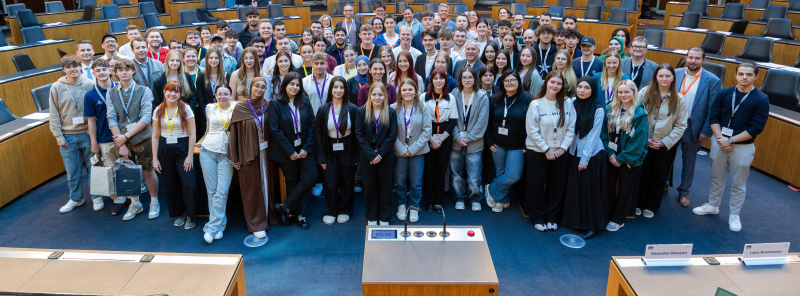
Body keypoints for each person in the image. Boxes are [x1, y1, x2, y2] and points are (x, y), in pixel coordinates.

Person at [693, 62, 769, 233]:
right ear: (735, 75)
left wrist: (731, 140)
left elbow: (756, 127)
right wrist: (721, 139)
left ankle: (734, 215)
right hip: (720, 141)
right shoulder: (725, 93)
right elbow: (713, 117)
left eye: (749, 75)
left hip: (743, 146)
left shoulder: (761, 99)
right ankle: (713, 205)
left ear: (756, 76)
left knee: (738, 183)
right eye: (741, 74)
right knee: (716, 176)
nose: (744, 77)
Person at [106, 59, 160, 221]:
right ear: (115, 72)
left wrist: (125, 137)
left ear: (133, 71)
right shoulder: (111, 93)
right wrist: (121, 142)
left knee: (148, 170)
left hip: (142, 138)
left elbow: (146, 118)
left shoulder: (144, 91)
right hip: (122, 140)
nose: (124, 72)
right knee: (127, 171)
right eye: (120, 70)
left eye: (127, 69)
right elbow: (111, 118)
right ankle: (135, 203)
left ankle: (153, 202)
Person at [525, 72, 576, 232]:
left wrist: (562, 149)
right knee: (536, 185)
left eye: (558, 84)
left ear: (562, 86)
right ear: (546, 83)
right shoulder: (536, 103)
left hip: (560, 152)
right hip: (538, 151)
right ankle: (538, 217)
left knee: (557, 185)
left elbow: (571, 128)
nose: (555, 86)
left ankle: (552, 217)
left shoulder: (567, 103)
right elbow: (532, 131)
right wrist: (546, 149)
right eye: (552, 82)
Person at [636, 64, 688, 218]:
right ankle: (638, 203)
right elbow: (635, 116)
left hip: (664, 145)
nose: (664, 79)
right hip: (644, 142)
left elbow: (680, 125)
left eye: (667, 76)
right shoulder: (645, 92)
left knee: (659, 176)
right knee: (642, 174)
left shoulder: (679, 99)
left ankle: (651, 205)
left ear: (673, 78)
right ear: (656, 77)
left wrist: (664, 142)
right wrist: (644, 139)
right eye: (661, 76)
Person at [227, 77, 277, 239]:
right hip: (247, 154)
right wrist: (235, 158)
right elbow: (233, 134)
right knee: (251, 187)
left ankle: (268, 215)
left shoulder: (268, 106)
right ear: (250, 87)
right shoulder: (241, 107)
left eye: (263, 87)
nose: (260, 89)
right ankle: (256, 222)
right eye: (257, 86)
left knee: (266, 184)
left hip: (266, 153)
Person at [673, 47, 722, 208]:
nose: (693, 61)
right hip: (672, 123)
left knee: (689, 161)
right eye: (690, 57)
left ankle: (684, 191)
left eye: (697, 58)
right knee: (666, 156)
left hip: (692, 126)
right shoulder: (676, 73)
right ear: (686, 58)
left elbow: (713, 108)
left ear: (703, 60)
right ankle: (664, 184)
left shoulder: (712, 80)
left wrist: (706, 130)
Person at [270, 73, 318, 230]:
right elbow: (275, 130)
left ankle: (286, 206)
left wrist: (306, 148)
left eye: (297, 85)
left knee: (311, 176)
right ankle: (298, 214)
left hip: (304, 148)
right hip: (285, 151)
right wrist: (290, 151)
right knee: (292, 181)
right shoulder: (276, 104)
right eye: (291, 84)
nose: (295, 87)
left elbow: (312, 124)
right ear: (285, 85)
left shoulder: (304, 100)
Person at [50, 55, 98, 214]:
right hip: (67, 136)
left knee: (94, 168)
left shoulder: (90, 84)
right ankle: (76, 199)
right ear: (64, 69)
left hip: (87, 134)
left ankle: (96, 196)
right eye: (69, 67)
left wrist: (94, 135)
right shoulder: (56, 87)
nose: (73, 70)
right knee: (72, 172)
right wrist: (58, 136)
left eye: (75, 66)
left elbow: (97, 112)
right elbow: (54, 114)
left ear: (80, 67)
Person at [561, 76, 607, 238]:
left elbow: (593, 136)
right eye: (580, 87)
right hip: (573, 152)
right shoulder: (572, 102)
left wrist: (584, 160)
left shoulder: (598, 109)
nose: (582, 90)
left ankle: (592, 225)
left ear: (593, 90)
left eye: (587, 88)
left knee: (589, 192)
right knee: (574, 189)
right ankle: (574, 222)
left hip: (591, 155)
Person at [601, 80, 648, 232]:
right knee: (608, 186)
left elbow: (639, 141)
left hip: (630, 159)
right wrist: (610, 154)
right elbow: (603, 134)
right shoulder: (610, 108)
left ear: (634, 93)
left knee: (625, 189)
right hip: (611, 155)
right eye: (620, 92)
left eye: (627, 92)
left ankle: (618, 219)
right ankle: (608, 213)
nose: (623, 95)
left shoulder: (640, 113)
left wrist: (621, 158)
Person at [152, 80, 198, 229]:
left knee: (189, 184)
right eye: (169, 91)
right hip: (165, 149)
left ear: (180, 94)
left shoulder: (186, 109)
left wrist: (190, 155)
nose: (172, 94)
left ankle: (191, 215)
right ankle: (179, 213)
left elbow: (192, 134)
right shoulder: (158, 110)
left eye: (176, 91)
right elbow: (155, 136)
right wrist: (155, 158)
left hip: (183, 148)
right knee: (171, 185)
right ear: (164, 92)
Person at [485, 70, 531, 212]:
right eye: (507, 81)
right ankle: (502, 200)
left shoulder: (528, 99)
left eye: (513, 80)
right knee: (500, 173)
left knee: (512, 175)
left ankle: (490, 188)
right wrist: (489, 141)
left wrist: (526, 144)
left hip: (517, 145)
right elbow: (487, 122)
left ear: (519, 82)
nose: (510, 83)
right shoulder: (494, 99)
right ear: (502, 83)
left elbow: (532, 124)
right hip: (497, 144)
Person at [315, 76, 359, 225]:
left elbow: (357, 135)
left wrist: (355, 156)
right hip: (329, 149)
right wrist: (321, 158)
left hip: (348, 148)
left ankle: (345, 210)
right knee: (330, 183)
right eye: (335, 87)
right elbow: (318, 135)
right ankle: (332, 210)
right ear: (331, 89)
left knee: (347, 182)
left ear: (345, 90)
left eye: (341, 87)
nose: (338, 90)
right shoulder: (323, 109)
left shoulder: (353, 109)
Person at [197, 84, 235, 244]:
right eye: (220, 94)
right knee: (211, 192)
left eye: (226, 94)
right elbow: (208, 128)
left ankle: (211, 228)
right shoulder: (209, 108)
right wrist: (202, 140)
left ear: (231, 95)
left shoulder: (236, 107)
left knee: (222, 192)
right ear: (215, 95)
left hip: (227, 153)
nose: (222, 96)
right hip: (208, 151)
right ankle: (220, 225)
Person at [355, 82, 398, 225]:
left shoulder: (391, 112)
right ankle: (371, 216)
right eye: (374, 94)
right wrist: (371, 154)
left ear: (385, 96)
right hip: (367, 156)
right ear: (369, 95)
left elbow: (392, 135)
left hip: (385, 156)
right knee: (370, 187)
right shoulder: (361, 111)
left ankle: (385, 216)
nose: (377, 97)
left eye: (380, 94)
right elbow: (359, 134)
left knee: (386, 187)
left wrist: (380, 154)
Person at [85, 59, 123, 214]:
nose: (101, 73)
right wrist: (94, 142)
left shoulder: (120, 88)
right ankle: (116, 199)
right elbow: (91, 121)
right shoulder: (90, 95)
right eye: (98, 71)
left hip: (124, 136)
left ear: (110, 70)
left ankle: (129, 194)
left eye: (104, 69)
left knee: (125, 167)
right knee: (110, 169)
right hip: (105, 138)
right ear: (93, 73)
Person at [392, 78, 432, 222]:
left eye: (410, 89)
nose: (407, 92)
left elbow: (427, 131)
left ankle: (414, 207)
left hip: (418, 151)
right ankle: (402, 205)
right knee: (400, 182)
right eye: (404, 90)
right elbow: (391, 132)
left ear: (415, 92)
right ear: (400, 92)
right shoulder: (393, 108)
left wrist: (413, 148)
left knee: (416, 182)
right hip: (399, 150)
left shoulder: (423, 107)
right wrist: (402, 148)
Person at [450, 66, 489, 212]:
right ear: (460, 79)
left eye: (470, 77)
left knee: (474, 175)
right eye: (464, 77)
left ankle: (475, 198)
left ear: (475, 79)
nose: (467, 80)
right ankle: (459, 198)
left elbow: (482, 121)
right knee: (456, 174)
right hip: (456, 141)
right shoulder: (454, 94)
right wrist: (458, 137)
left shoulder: (482, 96)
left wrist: (469, 138)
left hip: (475, 143)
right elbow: (451, 118)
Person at [421, 69, 457, 213]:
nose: (438, 81)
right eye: (435, 78)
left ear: (445, 81)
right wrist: (430, 139)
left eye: (441, 78)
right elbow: (421, 121)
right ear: (431, 81)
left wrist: (440, 140)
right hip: (427, 133)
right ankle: (429, 201)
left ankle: (439, 201)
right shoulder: (424, 97)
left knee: (441, 169)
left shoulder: (451, 98)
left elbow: (452, 122)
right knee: (428, 169)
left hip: (444, 135)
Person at [180, 48, 209, 135]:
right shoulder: (179, 73)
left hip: (202, 109)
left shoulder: (204, 71)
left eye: (193, 56)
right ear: (183, 59)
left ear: (197, 58)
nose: (191, 58)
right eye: (188, 56)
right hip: (186, 109)